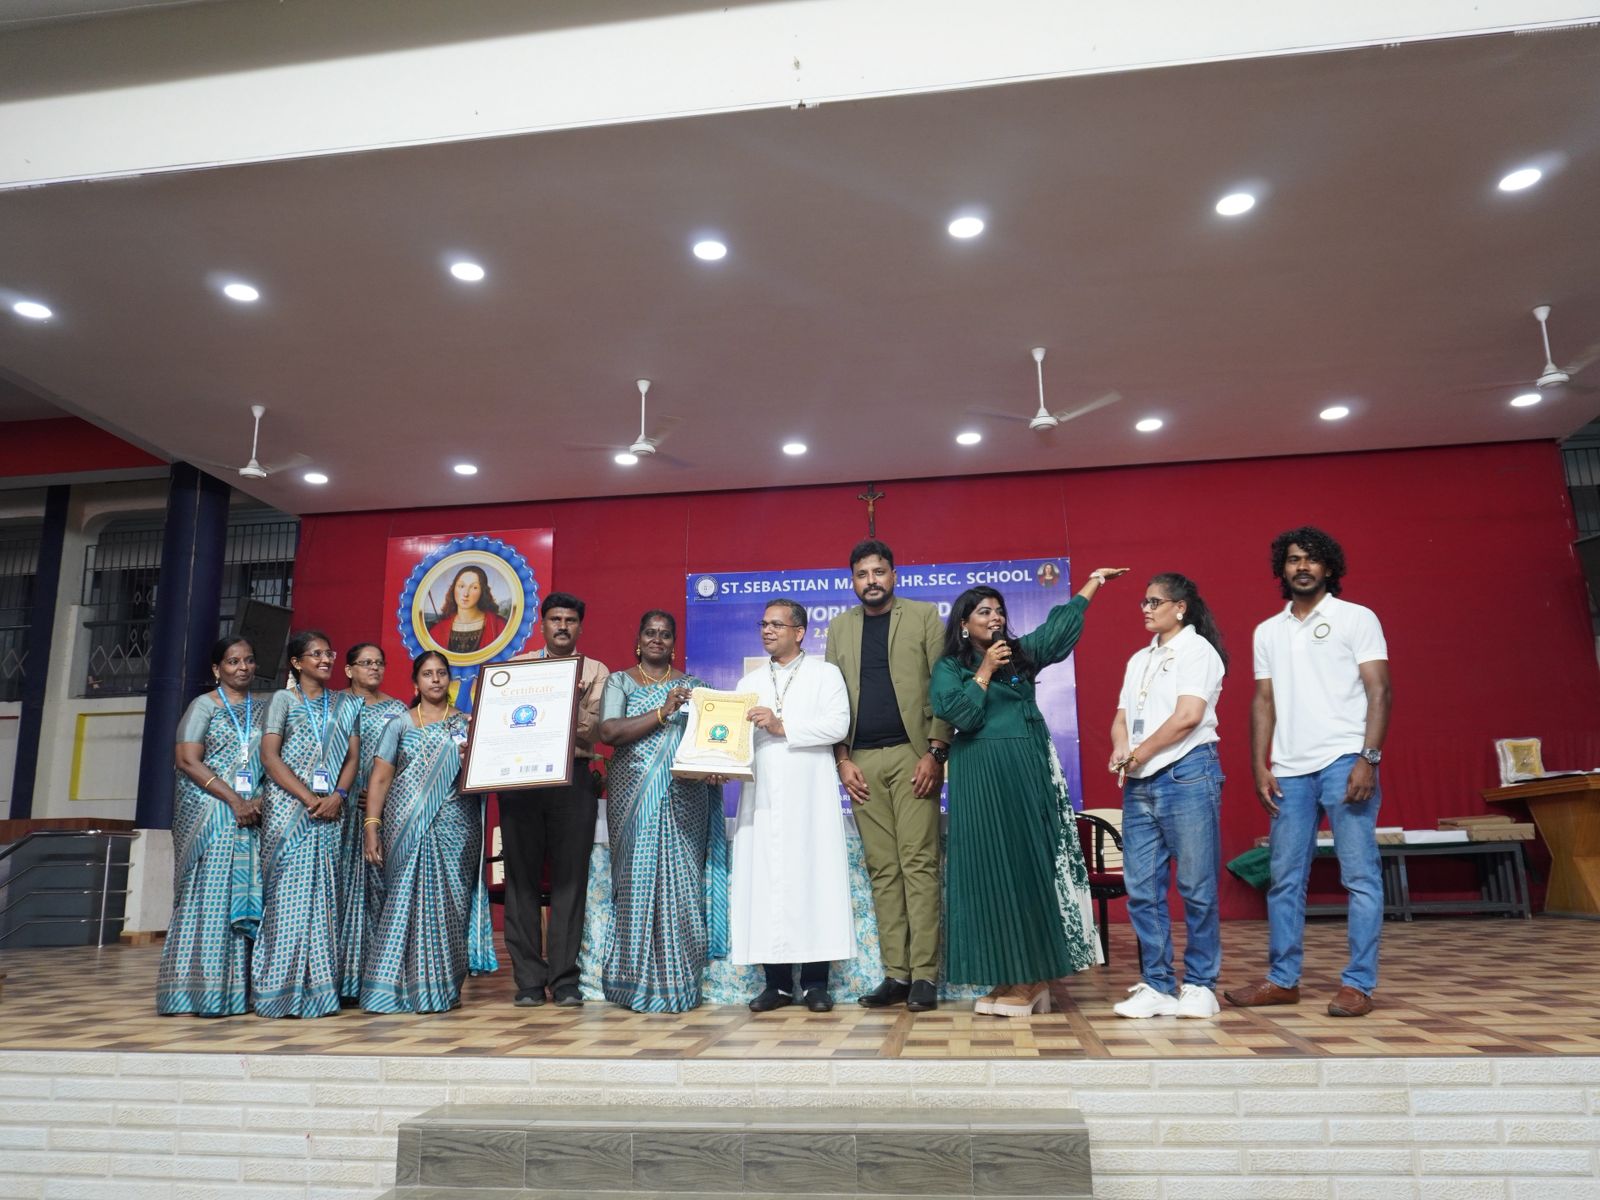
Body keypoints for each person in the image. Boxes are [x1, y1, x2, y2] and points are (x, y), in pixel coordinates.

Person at [930, 568, 1126, 1017]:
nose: (994, 618)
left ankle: (1034, 975)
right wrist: (984, 669)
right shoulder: (950, 668)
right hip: (978, 776)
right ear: (964, 623)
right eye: (984, 612)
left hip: (1024, 769)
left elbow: (1059, 629)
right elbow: (960, 714)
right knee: (986, 875)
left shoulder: (1021, 655)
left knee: (1024, 868)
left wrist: (1093, 582)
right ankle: (1006, 973)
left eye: (999, 611)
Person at [1225, 527, 1391, 1018]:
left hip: (1345, 758)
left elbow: (1380, 691)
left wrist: (1369, 757)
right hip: (1290, 771)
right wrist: (1260, 763)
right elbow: (1264, 700)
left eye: (1312, 560)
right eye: (1294, 559)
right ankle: (1283, 980)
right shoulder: (1267, 631)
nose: (1303, 567)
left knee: (1360, 876)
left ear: (1329, 568)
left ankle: (1358, 984)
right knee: (1283, 879)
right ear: (1282, 569)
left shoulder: (1356, 618)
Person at [824, 539, 950, 1012]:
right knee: (883, 871)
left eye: (878, 572)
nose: (871, 581)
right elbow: (833, 700)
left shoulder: (921, 617)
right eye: (862, 574)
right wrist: (841, 759)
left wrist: (936, 753)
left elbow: (942, 684)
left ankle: (925, 976)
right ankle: (896, 974)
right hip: (861, 762)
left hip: (912, 754)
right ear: (853, 581)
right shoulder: (839, 627)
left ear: (893, 574)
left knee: (918, 864)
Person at [1108, 574, 1228, 1019]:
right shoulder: (1140, 658)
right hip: (1140, 781)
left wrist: (1138, 752)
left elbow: (1188, 717)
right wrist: (1122, 748)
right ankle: (1158, 985)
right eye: (1144, 600)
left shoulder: (1198, 651)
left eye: (1155, 601)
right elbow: (1121, 715)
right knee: (1143, 890)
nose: (1145, 607)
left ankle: (1200, 984)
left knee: (1196, 887)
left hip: (1188, 774)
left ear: (1180, 607)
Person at [595, 610, 729, 1011]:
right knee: (636, 883)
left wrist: (716, 767)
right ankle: (633, 984)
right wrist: (662, 711)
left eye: (665, 634)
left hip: (684, 798)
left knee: (681, 885)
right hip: (632, 797)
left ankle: (680, 984)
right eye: (651, 633)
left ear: (674, 642)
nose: (658, 639)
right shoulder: (619, 682)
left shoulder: (695, 687)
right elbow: (609, 732)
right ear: (639, 638)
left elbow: (712, 740)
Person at [731, 598, 855, 1013]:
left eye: (777, 625)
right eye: (763, 624)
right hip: (762, 792)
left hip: (810, 792)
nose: (767, 631)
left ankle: (817, 984)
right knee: (767, 882)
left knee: (812, 879)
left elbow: (838, 725)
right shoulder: (747, 682)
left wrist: (783, 726)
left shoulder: (825, 673)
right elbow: (731, 737)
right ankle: (778, 985)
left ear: (799, 632)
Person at [359, 651, 496, 1012]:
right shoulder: (400, 724)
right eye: (427, 674)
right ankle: (390, 990)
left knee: (452, 905)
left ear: (449, 680)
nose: (435, 680)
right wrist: (372, 826)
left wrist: (472, 763)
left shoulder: (467, 724)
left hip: (457, 827)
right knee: (402, 902)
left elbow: (483, 781)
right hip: (406, 826)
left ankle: (441, 990)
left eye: (441, 674)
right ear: (415, 682)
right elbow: (380, 777)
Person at [500, 592, 610, 1007]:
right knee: (521, 881)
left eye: (570, 620)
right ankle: (528, 979)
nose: (562, 626)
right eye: (555, 619)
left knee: (569, 881)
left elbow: (596, 731)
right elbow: (503, 724)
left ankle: (564, 979)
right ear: (541, 625)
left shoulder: (597, 672)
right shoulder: (515, 669)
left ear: (580, 627)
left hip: (573, 779)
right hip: (521, 781)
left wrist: (568, 703)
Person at [251, 630, 362, 1018]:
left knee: (324, 900)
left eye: (328, 654)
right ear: (297, 663)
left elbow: (352, 758)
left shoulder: (344, 704)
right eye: (316, 655)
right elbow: (269, 756)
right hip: (289, 810)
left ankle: (318, 993)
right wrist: (309, 797)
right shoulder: (282, 699)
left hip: (330, 811)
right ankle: (277, 992)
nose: (326, 660)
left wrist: (339, 796)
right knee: (286, 900)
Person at [157, 636, 265, 1016]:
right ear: (216, 669)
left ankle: (241, 992)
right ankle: (194, 991)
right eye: (233, 662)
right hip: (211, 811)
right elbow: (187, 760)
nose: (243, 668)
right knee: (211, 898)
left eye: (249, 661)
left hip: (254, 814)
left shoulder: (266, 709)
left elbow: (277, 760)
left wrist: (258, 801)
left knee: (247, 899)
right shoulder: (203, 706)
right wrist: (234, 801)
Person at [336, 642, 408, 1002]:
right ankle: (335, 976)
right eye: (366, 663)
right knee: (339, 887)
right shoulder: (333, 706)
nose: (374, 669)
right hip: (336, 810)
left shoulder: (397, 710)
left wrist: (382, 797)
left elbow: (403, 761)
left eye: (379, 663)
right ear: (348, 670)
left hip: (377, 810)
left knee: (377, 887)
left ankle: (372, 974)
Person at [428, 564, 507, 654]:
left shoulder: (499, 625)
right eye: (461, 586)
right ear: (454, 589)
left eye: (474, 587)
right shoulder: (437, 630)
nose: (466, 593)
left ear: (482, 592)